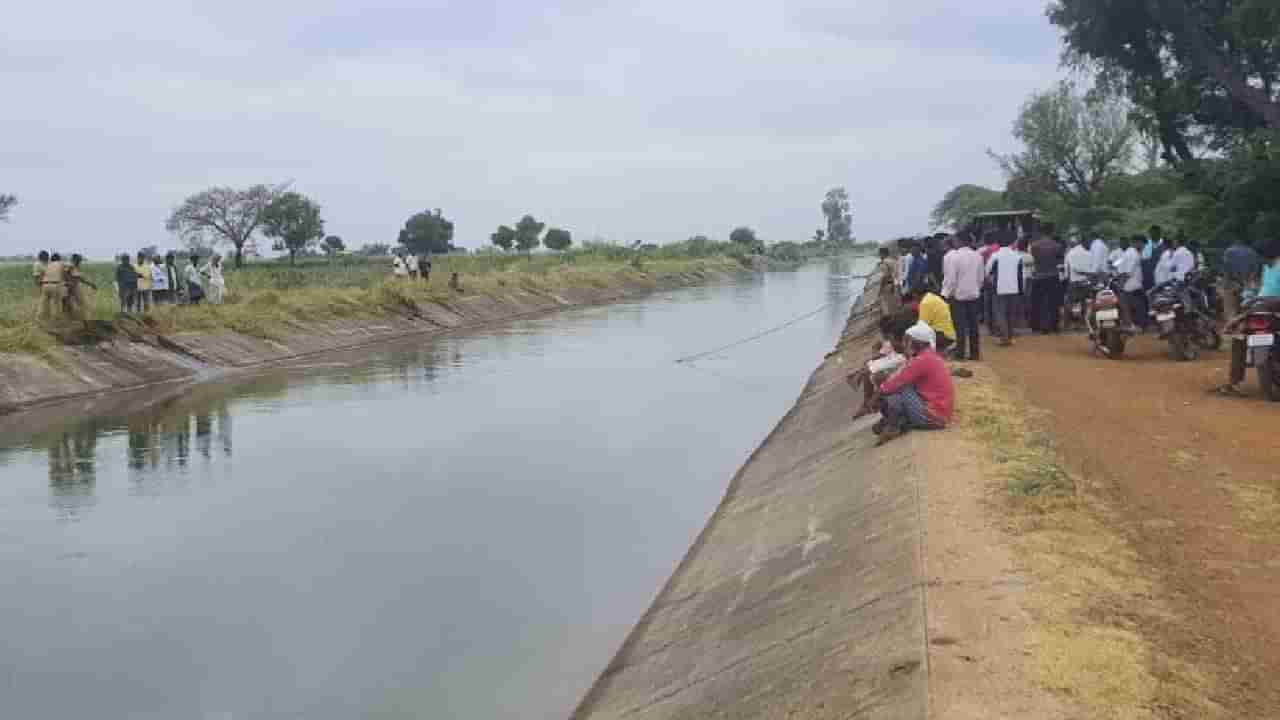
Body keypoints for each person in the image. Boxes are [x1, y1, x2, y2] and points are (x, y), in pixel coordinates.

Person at [874, 321, 955, 444]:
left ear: (918, 343)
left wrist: (876, 395)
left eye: (908, 341)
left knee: (897, 388)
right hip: (939, 413)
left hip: (934, 416)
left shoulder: (922, 360)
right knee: (897, 385)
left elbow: (895, 382)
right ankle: (896, 421)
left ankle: (893, 426)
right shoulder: (928, 356)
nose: (906, 344)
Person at [1220, 239, 1280, 396]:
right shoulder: (1267, 267)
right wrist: (1251, 297)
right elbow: (1261, 290)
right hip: (1260, 308)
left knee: (1240, 331)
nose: (1261, 259)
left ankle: (1235, 381)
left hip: (1272, 306)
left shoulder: (1274, 266)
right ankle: (1234, 382)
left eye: (1262, 255)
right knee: (1239, 336)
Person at [847, 312, 913, 420]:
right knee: (870, 368)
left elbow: (887, 356)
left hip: (897, 364)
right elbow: (882, 355)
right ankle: (867, 402)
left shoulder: (899, 348)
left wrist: (874, 353)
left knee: (872, 372)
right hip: (895, 360)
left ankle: (869, 404)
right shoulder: (894, 343)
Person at [943, 233, 985, 360]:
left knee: (959, 326)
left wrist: (946, 294)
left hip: (958, 296)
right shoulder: (978, 256)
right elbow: (981, 278)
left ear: (959, 241)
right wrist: (976, 289)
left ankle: (960, 353)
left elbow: (951, 279)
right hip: (973, 295)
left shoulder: (955, 257)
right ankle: (974, 353)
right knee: (973, 326)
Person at [986, 231, 1024, 346]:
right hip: (1014, 288)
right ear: (1012, 242)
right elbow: (1020, 275)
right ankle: (1010, 336)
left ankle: (1004, 337)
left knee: (1000, 313)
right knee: (1011, 314)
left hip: (999, 288)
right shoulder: (1018, 256)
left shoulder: (995, 256)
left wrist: (991, 281)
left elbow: (987, 272)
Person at [1029, 227, 1063, 333]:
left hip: (1039, 276)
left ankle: (1038, 325)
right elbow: (1060, 260)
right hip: (1053, 275)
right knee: (1053, 302)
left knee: (1038, 302)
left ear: (1041, 232)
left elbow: (1034, 259)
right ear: (1052, 233)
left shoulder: (1034, 246)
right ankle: (1053, 325)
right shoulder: (1057, 246)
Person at [1222, 237, 1262, 320]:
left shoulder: (1229, 251)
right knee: (1249, 302)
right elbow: (1256, 267)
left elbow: (1226, 268)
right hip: (1249, 281)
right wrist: (1250, 279)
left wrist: (1226, 282)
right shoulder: (1252, 252)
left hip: (1233, 281)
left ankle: (1232, 320)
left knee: (1230, 303)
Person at [914, 285, 956, 354]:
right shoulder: (934, 297)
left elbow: (921, 326)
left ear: (915, 295)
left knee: (916, 335)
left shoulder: (925, 302)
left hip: (942, 335)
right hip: (949, 335)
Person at [1115, 236, 1145, 330]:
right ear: (1136, 242)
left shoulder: (1130, 252)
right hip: (1130, 285)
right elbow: (1128, 272)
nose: (1143, 246)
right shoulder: (1133, 254)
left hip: (1130, 284)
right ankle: (1133, 326)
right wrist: (1121, 285)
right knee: (1132, 307)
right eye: (1142, 243)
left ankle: (1131, 325)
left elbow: (1118, 265)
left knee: (1127, 306)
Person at [64, 254, 97, 321]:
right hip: (69, 288)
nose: (79, 262)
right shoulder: (70, 267)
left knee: (73, 304)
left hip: (72, 287)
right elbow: (78, 278)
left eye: (79, 260)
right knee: (77, 304)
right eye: (78, 260)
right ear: (75, 260)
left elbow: (80, 279)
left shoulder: (75, 267)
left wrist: (91, 284)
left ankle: (72, 318)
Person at [38, 253, 67, 320]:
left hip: (45, 285)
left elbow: (43, 274)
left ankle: (40, 318)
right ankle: (56, 320)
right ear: (59, 259)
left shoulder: (48, 265)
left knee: (43, 304)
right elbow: (65, 274)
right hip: (55, 285)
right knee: (56, 304)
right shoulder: (61, 264)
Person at [876, 246, 900, 314]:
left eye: (879, 254)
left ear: (882, 254)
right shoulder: (893, 260)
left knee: (887, 305)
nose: (879, 256)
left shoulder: (885, 262)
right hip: (895, 284)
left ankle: (890, 319)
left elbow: (885, 276)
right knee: (893, 304)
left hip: (888, 285)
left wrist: (880, 289)